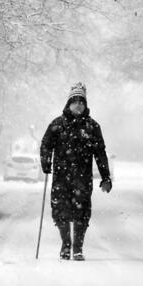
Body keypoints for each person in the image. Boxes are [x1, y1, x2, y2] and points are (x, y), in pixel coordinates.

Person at [40, 82, 112, 261]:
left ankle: (78, 247)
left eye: (81, 101)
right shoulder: (57, 124)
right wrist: (46, 161)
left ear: (85, 104)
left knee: (82, 212)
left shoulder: (92, 127)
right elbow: (46, 144)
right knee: (60, 210)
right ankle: (65, 244)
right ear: (68, 103)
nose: (78, 104)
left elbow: (100, 153)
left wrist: (106, 177)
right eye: (75, 101)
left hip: (83, 177)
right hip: (61, 176)